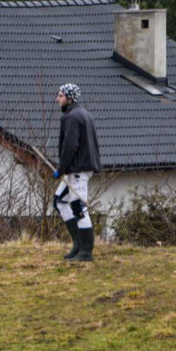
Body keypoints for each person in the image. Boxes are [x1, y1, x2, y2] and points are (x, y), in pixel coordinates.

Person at [54, 83, 101, 262]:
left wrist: (61, 169)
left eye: (60, 96)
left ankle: (86, 252)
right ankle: (78, 245)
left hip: (78, 170)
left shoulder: (72, 117)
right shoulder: (83, 114)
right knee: (59, 201)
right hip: (78, 169)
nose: (57, 99)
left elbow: (70, 146)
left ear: (69, 98)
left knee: (79, 208)